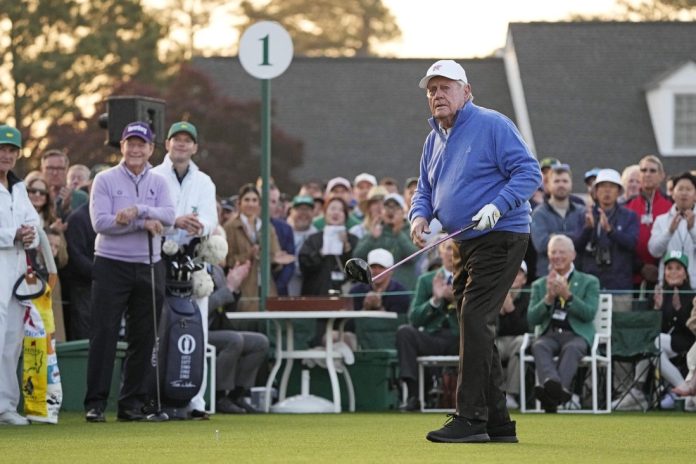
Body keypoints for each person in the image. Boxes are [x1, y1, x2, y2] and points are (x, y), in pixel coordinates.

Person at [409, 60, 541, 443]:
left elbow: (529, 172)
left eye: (445, 87)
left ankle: (470, 417)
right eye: (432, 90)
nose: (437, 95)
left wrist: (498, 205)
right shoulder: (433, 139)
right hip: (465, 241)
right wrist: (419, 216)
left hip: (502, 234)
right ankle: (498, 422)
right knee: (473, 322)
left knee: (474, 316)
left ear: (466, 91)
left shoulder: (492, 124)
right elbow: (425, 189)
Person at [84, 121, 175, 423]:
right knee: (104, 333)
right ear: (121, 146)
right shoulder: (105, 179)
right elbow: (102, 223)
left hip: (149, 265)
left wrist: (138, 211)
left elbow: (169, 215)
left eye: (141, 144)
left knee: (144, 337)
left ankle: (131, 404)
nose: (136, 149)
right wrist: (142, 224)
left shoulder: (159, 181)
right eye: (130, 143)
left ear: (151, 149)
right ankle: (96, 403)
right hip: (111, 264)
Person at [152, 121, 219, 419]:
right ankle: (155, 395)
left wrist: (198, 225)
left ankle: (195, 400)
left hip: (192, 259)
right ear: (167, 144)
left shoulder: (204, 181)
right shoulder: (154, 176)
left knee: (197, 328)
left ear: (195, 147)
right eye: (176, 139)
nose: (181, 144)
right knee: (157, 328)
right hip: (157, 256)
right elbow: (152, 214)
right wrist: (174, 222)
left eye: (187, 140)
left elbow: (211, 219)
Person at [527, 235, 599, 413]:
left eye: (562, 252)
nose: (557, 256)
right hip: (549, 334)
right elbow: (532, 319)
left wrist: (568, 296)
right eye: (553, 252)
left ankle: (550, 395)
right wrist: (548, 299)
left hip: (576, 335)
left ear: (573, 255)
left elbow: (589, 314)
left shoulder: (589, 281)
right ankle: (558, 390)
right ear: (548, 255)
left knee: (572, 348)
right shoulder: (539, 284)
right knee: (539, 345)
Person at [0, 124, 40, 426]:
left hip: (16, 270)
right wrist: (12, 234)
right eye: (1, 149)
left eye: (11, 150)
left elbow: (34, 224)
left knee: (12, 339)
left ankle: (6, 406)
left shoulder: (19, 187)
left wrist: (29, 235)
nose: (6, 155)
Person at [395, 239, 459, 412]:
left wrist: (459, 299)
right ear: (440, 252)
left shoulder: (470, 277)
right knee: (405, 333)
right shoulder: (426, 280)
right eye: (448, 248)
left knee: (480, 335)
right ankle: (413, 395)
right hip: (433, 336)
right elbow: (414, 318)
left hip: (460, 337)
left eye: (457, 247)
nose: (452, 252)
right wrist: (435, 300)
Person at [207, 259, 269, 414]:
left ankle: (236, 396)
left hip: (217, 328)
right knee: (234, 340)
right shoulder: (194, 269)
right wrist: (228, 287)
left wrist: (235, 287)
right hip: (197, 330)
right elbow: (200, 309)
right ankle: (219, 396)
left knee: (260, 342)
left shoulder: (217, 270)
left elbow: (227, 309)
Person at [574, 169, 639, 311]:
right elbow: (576, 247)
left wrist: (611, 231)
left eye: (612, 187)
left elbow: (632, 243)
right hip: (590, 283)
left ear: (619, 191)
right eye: (603, 186)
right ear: (596, 191)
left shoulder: (629, 216)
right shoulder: (584, 215)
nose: (607, 191)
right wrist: (587, 229)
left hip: (619, 285)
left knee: (620, 322)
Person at [224, 184, 293, 314]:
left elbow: (275, 256)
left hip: (266, 289)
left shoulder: (267, 227)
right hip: (243, 290)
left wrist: (277, 259)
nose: (251, 204)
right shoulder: (230, 228)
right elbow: (228, 261)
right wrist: (248, 255)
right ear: (239, 203)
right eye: (247, 200)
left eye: (254, 200)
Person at [650, 251, 696, 408]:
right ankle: (682, 387)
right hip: (667, 343)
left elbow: (690, 327)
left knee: (654, 342)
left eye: (678, 268)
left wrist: (679, 310)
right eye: (669, 268)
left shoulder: (691, 295)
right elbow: (655, 327)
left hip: (687, 342)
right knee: (652, 347)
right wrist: (657, 308)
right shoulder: (661, 293)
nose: (673, 272)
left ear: (685, 273)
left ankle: (682, 389)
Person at [353, 193, 418, 291]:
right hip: (375, 289)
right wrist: (371, 238)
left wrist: (398, 234)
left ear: (403, 212)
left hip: (403, 289)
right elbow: (357, 257)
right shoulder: (376, 230)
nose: (390, 211)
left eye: (395, 208)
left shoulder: (412, 230)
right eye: (387, 207)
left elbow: (415, 257)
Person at [625, 155, 672, 289]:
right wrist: (641, 267)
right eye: (644, 170)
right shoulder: (627, 206)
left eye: (652, 171)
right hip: (633, 275)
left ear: (662, 175)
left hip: (664, 274)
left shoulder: (671, 205)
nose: (647, 174)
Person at [530, 164, 585, 277]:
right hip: (546, 277)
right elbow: (541, 245)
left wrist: (553, 236)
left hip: (577, 278)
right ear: (548, 185)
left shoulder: (582, 212)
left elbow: (585, 242)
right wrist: (575, 236)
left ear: (571, 184)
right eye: (556, 181)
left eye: (565, 181)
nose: (561, 184)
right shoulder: (538, 213)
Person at [299, 197, 358, 296]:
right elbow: (304, 266)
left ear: (345, 216)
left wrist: (347, 248)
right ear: (325, 213)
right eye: (332, 208)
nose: (336, 213)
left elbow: (358, 273)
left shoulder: (353, 240)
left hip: (343, 294)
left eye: (340, 210)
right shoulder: (313, 239)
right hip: (317, 294)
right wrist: (320, 253)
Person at [648, 172, 696, 288]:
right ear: (673, 194)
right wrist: (669, 232)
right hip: (667, 285)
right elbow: (654, 251)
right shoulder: (661, 220)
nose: (684, 193)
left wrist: (692, 230)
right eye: (680, 189)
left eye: (688, 189)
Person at [496, 261, 530, 410]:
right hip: (499, 340)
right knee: (485, 345)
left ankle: (510, 394)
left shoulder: (529, 295)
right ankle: (491, 393)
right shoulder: (494, 295)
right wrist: (499, 314)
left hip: (519, 339)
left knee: (520, 343)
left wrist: (510, 310)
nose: (513, 275)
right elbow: (490, 327)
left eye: (518, 273)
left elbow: (526, 327)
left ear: (524, 279)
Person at [349, 248, 410, 314]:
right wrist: (365, 308)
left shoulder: (401, 294)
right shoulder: (355, 291)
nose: (377, 271)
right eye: (373, 267)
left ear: (391, 270)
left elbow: (399, 319)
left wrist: (378, 308)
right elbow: (349, 318)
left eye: (381, 267)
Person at [40, 149, 88, 220]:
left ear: (67, 170)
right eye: (50, 168)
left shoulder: (81, 198)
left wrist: (66, 208)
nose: (55, 173)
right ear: (42, 170)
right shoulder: (34, 195)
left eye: (60, 168)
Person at [286, 195, 318, 296]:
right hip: (289, 281)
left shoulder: (317, 235)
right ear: (291, 211)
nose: (303, 214)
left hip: (310, 281)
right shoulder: (284, 231)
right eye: (299, 209)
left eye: (307, 210)